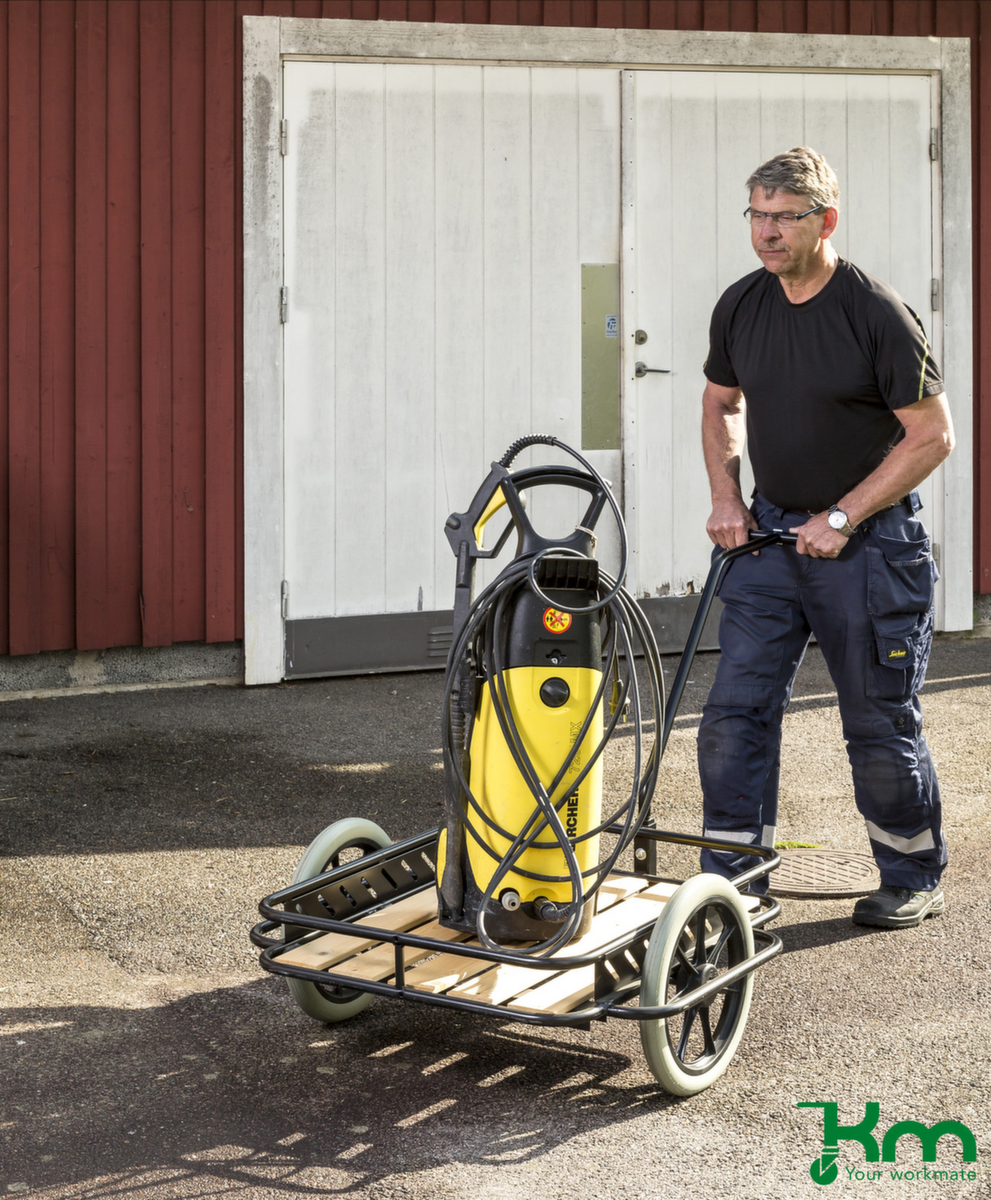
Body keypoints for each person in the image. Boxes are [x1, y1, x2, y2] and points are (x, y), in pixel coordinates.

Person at [698, 146, 954, 929]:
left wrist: (841, 517)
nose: (766, 232)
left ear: (824, 221)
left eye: (784, 217)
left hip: (870, 548)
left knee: (875, 723)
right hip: (770, 541)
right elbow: (719, 404)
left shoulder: (873, 310)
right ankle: (734, 883)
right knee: (732, 712)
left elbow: (932, 435)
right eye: (757, 215)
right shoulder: (741, 304)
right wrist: (726, 500)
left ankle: (909, 871)